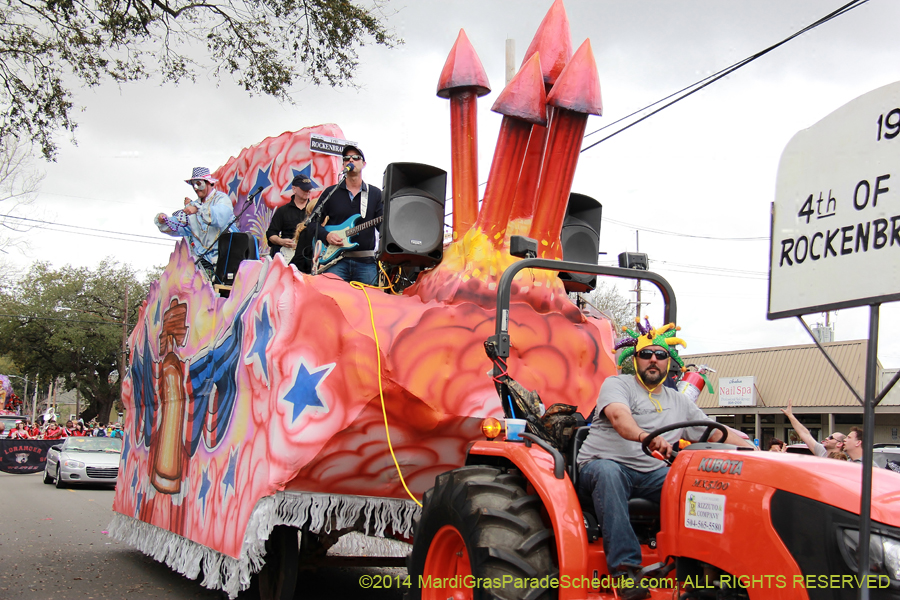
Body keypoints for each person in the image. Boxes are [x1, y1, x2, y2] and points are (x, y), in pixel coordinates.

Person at [577, 320, 753, 599]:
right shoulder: (617, 384)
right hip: (601, 465)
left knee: (696, 485)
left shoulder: (678, 400)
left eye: (660, 355)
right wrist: (645, 436)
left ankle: (705, 566)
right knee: (609, 473)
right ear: (634, 359)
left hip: (651, 473)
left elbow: (712, 430)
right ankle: (626, 571)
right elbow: (620, 419)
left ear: (669, 363)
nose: (653, 360)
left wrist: (750, 447)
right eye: (646, 355)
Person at [315, 145, 383, 286]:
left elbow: (382, 227)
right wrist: (326, 236)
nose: (351, 159)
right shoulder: (331, 192)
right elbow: (312, 223)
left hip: (365, 262)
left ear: (363, 164)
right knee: (332, 301)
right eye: (346, 158)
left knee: (369, 303)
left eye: (356, 157)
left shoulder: (375, 194)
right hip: (336, 260)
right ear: (343, 165)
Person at [154, 167, 238, 279]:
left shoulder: (221, 199)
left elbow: (220, 217)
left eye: (199, 184)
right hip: (202, 260)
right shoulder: (193, 206)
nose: (196, 188)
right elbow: (181, 225)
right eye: (194, 185)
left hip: (226, 257)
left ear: (209, 183)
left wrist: (198, 210)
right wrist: (164, 220)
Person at [265, 174, 320, 274]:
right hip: (288, 256)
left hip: (308, 258)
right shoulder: (283, 211)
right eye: (304, 189)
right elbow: (271, 233)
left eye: (309, 189)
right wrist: (281, 241)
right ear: (294, 189)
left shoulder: (315, 210)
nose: (307, 191)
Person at [780, 399, 845, 458]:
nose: (826, 438)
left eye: (831, 437)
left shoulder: (843, 460)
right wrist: (790, 415)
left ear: (839, 444)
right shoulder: (822, 451)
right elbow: (805, 434)